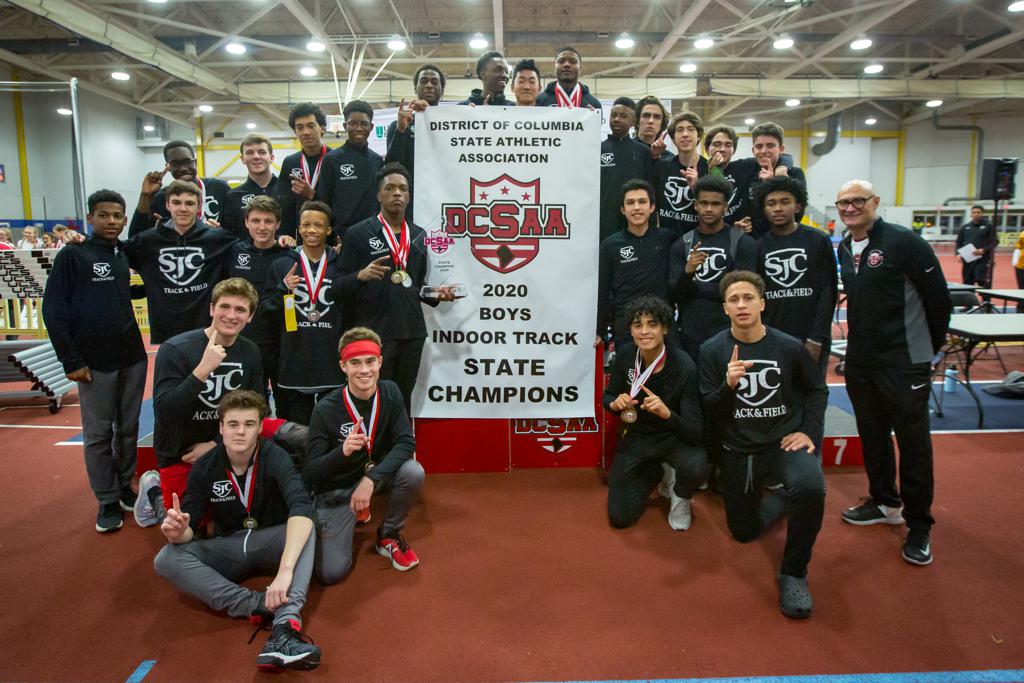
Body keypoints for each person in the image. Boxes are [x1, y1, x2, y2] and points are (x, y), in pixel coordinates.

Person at [154, 390, 321, 671]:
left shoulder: (276, 456)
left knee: (306, 528)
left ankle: (284, 629)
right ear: (221, 428)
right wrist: (178, 532)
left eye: (249, 424)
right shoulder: (206, 467)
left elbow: (301, 507)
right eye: (233, 425)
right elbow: (190, 527)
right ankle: (255, 605)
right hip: (229, 545)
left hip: (271, 540)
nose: (240, 432)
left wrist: (285, 572)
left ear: (260, 427)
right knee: (166, 558)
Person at [835, 180, 952, 566]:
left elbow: (938, 299)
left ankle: (920, 525)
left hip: (905, 364)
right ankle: (885, 501)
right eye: (843, 203)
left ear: (875, 202)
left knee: (914, 445)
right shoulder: (843, 247)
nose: (849, 208)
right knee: (872, 436)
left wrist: (926, 352)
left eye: (857, 201)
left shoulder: (904, 242)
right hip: (862, 363)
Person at [699, 271, 827, 619]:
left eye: (748, 298)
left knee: (812, 487)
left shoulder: (788, 347)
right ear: (724, 308)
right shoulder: (712, 351)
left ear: (762, 303)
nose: (742, 305)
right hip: (739, 449)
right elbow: (710, 409)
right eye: (734, 300)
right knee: (744, 532)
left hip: (781, 443)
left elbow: (816, 390)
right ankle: (784, 499)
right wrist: (728, 386)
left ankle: (794, 572)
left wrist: (809, 433)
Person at [42, 189, 147, 533]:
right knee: (99, 433)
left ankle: (123, 487)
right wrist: (70, 360)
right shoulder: (73, 255)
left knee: (128, 429)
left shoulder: (121, 253)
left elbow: (116, 292)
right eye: (104, 215)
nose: (112, 221)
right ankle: (105, 499)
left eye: (118, 215)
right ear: (90, 218)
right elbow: (54, 311)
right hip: (93, 363)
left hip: (131, 356)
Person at [137, 277, 265, 526]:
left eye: (240, 310)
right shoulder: (176, 349)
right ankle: (153, 491)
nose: (231, 315)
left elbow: (256, 409)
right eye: (224, 307)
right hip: (180, 454)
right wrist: (203, 370)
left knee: (231, 526)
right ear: (211, 309)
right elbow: (165, 412)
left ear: (250, 317)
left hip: (226, 452)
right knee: (184, 530)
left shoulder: (250, 352)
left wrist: (217, 445)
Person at [303, 327, 424, 582]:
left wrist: (370, 481)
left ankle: (389, 535)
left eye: (370, 361)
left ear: (380, 361)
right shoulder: (325, 408)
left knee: (413, 471)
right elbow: (311, 471)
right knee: (331, 573)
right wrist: (342, 452)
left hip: (372, 478)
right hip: (337, 487)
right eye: (355, 363)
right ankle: (347, 513)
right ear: (343, 366)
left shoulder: (390, 392)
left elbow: (405, 442)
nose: (364, 370)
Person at [337, 162, 456, 413]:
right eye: (390, 188)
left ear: (409, 195)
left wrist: (437, 294)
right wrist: (360, 275)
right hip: (373, 332)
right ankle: (370, 449)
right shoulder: (358, 233)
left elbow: (416, 285)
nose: (397, 194)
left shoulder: (420, 235)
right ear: (379, 194)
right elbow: (336, 287)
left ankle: (399, 449)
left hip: (411, 331)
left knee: (402, 399)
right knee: (371, 399)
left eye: (403, 189)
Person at [603, 296, 706, 531]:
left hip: (674, 438)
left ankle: (680, 496)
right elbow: (607, 397)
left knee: (697, 466)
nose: (645, 331)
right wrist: (615, 404)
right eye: (638, 325)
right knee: (620, 519)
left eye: (652, 324)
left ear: (665, 328)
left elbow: (696, 432)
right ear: (630, 330)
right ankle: (656, 471)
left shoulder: (684, 366)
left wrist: (667, 413)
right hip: (638, 437)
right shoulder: (626, 356)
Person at [268, 201, 354, 425]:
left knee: (331, 428)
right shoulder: (281, 265)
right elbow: (265, 310)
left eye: (318, 225)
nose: (312, 230)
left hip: (331, 359)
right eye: (306, 225)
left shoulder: (341, 265)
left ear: (328, 230)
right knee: (297, 432)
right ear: (299, 228)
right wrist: (282, 288)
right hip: (295, 359)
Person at [754, 176, 838, 378]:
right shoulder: (758, 246)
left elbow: (828, 292)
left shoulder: (818, 240)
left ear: (798, 206)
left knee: (812, 398)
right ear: (764, 209)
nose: (777, 208)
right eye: (771, 203)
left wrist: (816, 339)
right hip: (774, 337)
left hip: (810, 337)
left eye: (785, 202)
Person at [669, 175, 757, 362]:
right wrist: (688, 272)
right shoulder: (682, 244)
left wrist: (696, 287)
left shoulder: (742, 242)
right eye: (704, 203)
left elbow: (742, 293)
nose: (709, 209)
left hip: (730, 334)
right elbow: (673, 294)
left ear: (725, 207)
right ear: (695, 205)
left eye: (715, 204)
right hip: (691, 336)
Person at [597, 179, 676, 351]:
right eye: (630, 203)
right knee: (629, 376)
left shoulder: (668, 239)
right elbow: (602, 289)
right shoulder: (610, 245)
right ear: (622, 210)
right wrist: (599, 329)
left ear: (652, 207)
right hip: (626, 326)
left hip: (662, 323)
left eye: (642, 202)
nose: (637, 207)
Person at [227, 195, 294, 399]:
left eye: (268, 221)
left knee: (285, 401)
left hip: (281, 342)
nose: (262, 227)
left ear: (278, 224)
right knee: (250, 401)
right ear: (246, 222)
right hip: (245, 339)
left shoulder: (289, 254)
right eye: (256, 220)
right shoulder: (234, 251)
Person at [128, 140, 230, 236]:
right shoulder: (161, 197)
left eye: (187, 162)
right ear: (168, 167)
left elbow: (237, 228)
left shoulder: (219, 188)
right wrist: (145, 196)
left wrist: (219, 233)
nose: (183, 168)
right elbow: (135, 236)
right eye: (175, 164)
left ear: (195, 162)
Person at [317, 100, 383, 242]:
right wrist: (330, 236)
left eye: (364, 124)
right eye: (353, 123)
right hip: (341, 237)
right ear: (345, 126)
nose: (359, 128)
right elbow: (324, 201)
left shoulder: (377, 161)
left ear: (371, 127)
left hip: (372, 234)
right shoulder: (331, 159)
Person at [599, 97, 657, 243]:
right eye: (614, 115)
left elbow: (650, 189)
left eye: (623, 116)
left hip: (636, 222)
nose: (617, 119)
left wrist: (652, 221)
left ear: (633, 122)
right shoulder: (598, 149)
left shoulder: (643, 151)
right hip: (606, 222)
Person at [737, 123, 807, 239]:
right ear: (753, 150)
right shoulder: (747, 171)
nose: (764, 151)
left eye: (770, 145)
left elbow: (798, 213)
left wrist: (775, 183)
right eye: (759, 146)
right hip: (754, 244)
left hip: (783, 241)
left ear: (781, 149)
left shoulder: (794, 173)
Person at [385, 63, 446, 187]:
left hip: (443, 193)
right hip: (410, 199)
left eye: (434, 82)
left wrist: (431, 117)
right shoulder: (398, 125)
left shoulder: (452, 124)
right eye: (424, 81)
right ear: (415, 88)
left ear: (442, 90)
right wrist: (400, 131)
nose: (429, 85)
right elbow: (391, 167)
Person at [277, 102, 332, 240]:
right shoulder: (290, 162)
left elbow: (343, 203)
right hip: (302, 237)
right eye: (299, 127)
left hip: (331, 235)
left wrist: (312, 195)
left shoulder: (336, 160)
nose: (305, 132)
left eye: (311, 126)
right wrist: (285, 235)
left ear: (322, 128)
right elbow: (285, 206)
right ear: (295, 132)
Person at [654, 111, 708, 237]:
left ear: (699, 136)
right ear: (673, 138)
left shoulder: (709, 169)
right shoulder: (661, 166)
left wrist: (696, 186)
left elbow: (714, 208)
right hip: (667, 240)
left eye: (690, 129)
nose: (685, 134)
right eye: (680, 130)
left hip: (699, 240)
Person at [222, 134, 280, 238]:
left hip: (284, 253)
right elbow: (229, 235)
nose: (256, 157)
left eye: (262, 152)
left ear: (271, 158)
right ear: (243, 159)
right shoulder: (233, 196)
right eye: (249, 153)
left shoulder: (288, 190)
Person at [534, 47, 602, 109]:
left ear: (580, 69)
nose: (566, 64)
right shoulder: (540, 101)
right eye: (561, 61)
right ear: (555, 68)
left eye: (573, 61)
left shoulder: (595, 104)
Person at [956, 204, 998, 287]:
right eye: (974, 212)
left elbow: (995, 241)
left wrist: (984, 250)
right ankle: (969, 298)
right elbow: (959, 242)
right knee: (967, 280)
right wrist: (958, 253)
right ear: (971, 214)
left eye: (978, 212)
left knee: (981, 279)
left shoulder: (989, 226)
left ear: (982, 214)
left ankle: (985, 299)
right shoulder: (965, 227)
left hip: (983, 259)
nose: (976, 214)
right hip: (968, 259)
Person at [633, 95, 672, 161]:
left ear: (662, 124)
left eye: (657, 117)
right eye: (646, 116)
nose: (651, 121)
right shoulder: (624, 149)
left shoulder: (668, 159)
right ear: (637, 121)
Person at [1014, 229, 1024, 312]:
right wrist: (1015, 261)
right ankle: (1021, 307)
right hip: (1021, 266)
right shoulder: (1022, 234)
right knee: (1022, 288)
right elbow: (1017, 248)